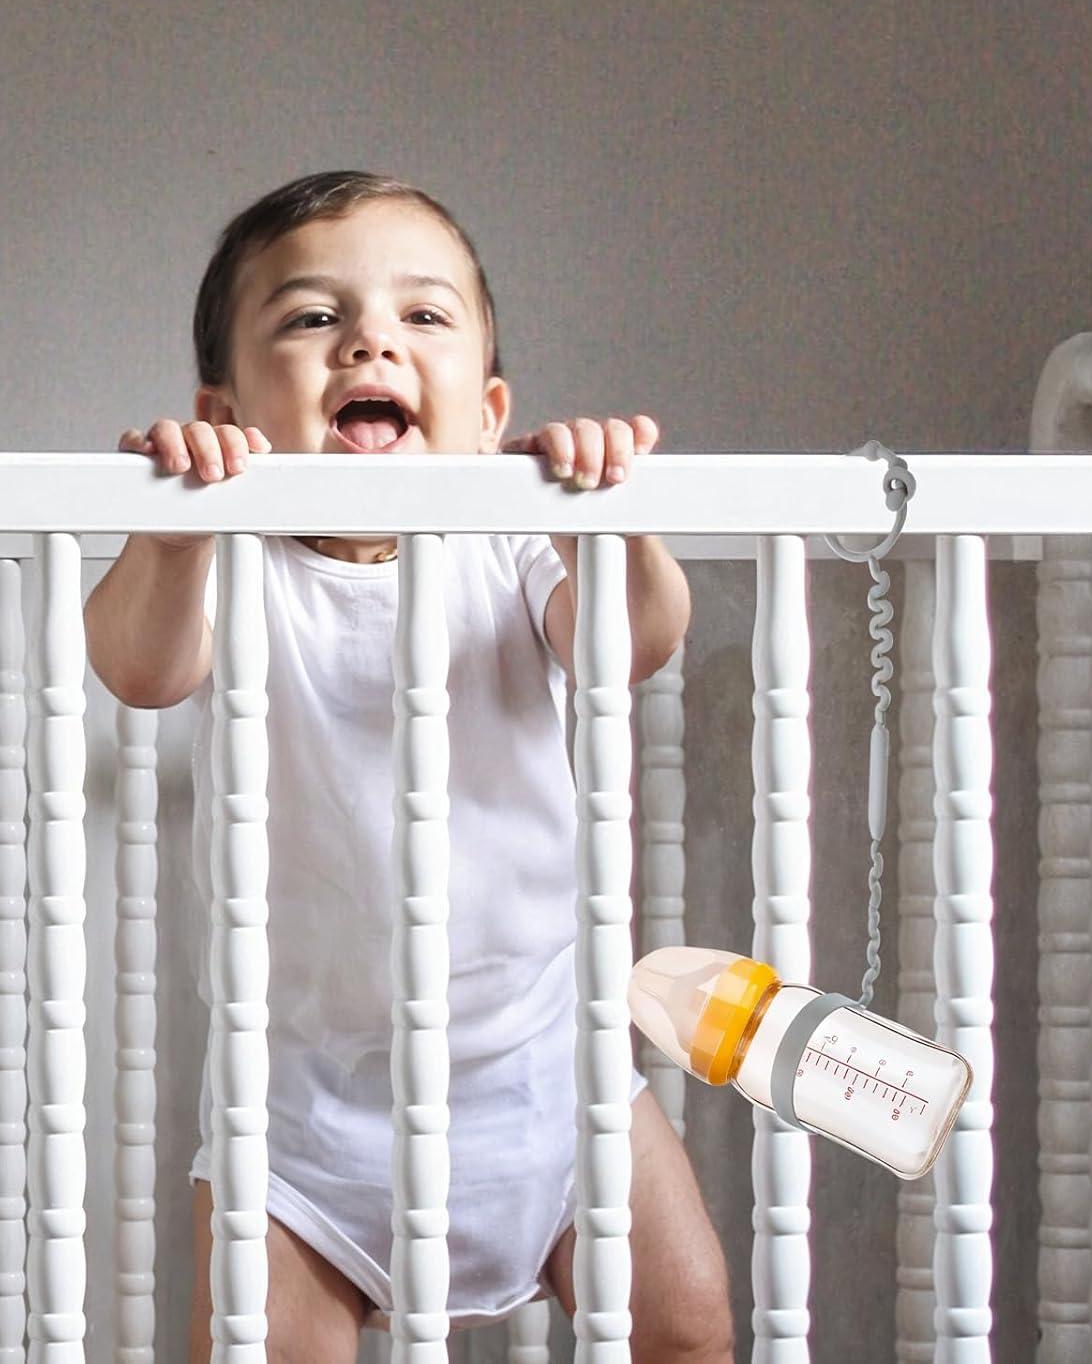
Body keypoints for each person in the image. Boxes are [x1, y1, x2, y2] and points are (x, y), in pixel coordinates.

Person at [83, 171, 734, 1363]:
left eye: (422, 314)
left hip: (546, 1072)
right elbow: (140, 669)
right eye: (311, 317)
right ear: (224, 408)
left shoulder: (513, 535)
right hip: (303, 1117)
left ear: (488, 414)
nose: (369, 340)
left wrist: (610, 524)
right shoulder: (233, 558)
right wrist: (170, 536)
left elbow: (631, 640)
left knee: (689, 1329)